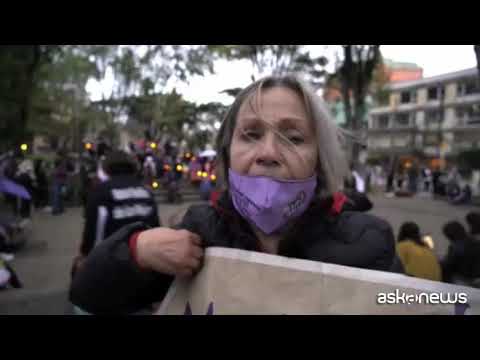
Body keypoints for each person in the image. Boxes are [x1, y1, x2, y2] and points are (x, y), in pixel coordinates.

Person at [70, 75, 399, 314]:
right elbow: (87, 295)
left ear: (320, 159)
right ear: (227, 154)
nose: (268, 152)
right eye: (251, 135)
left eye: (294, 138)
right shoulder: (196, 231)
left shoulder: (369, 243)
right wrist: (136, 251)